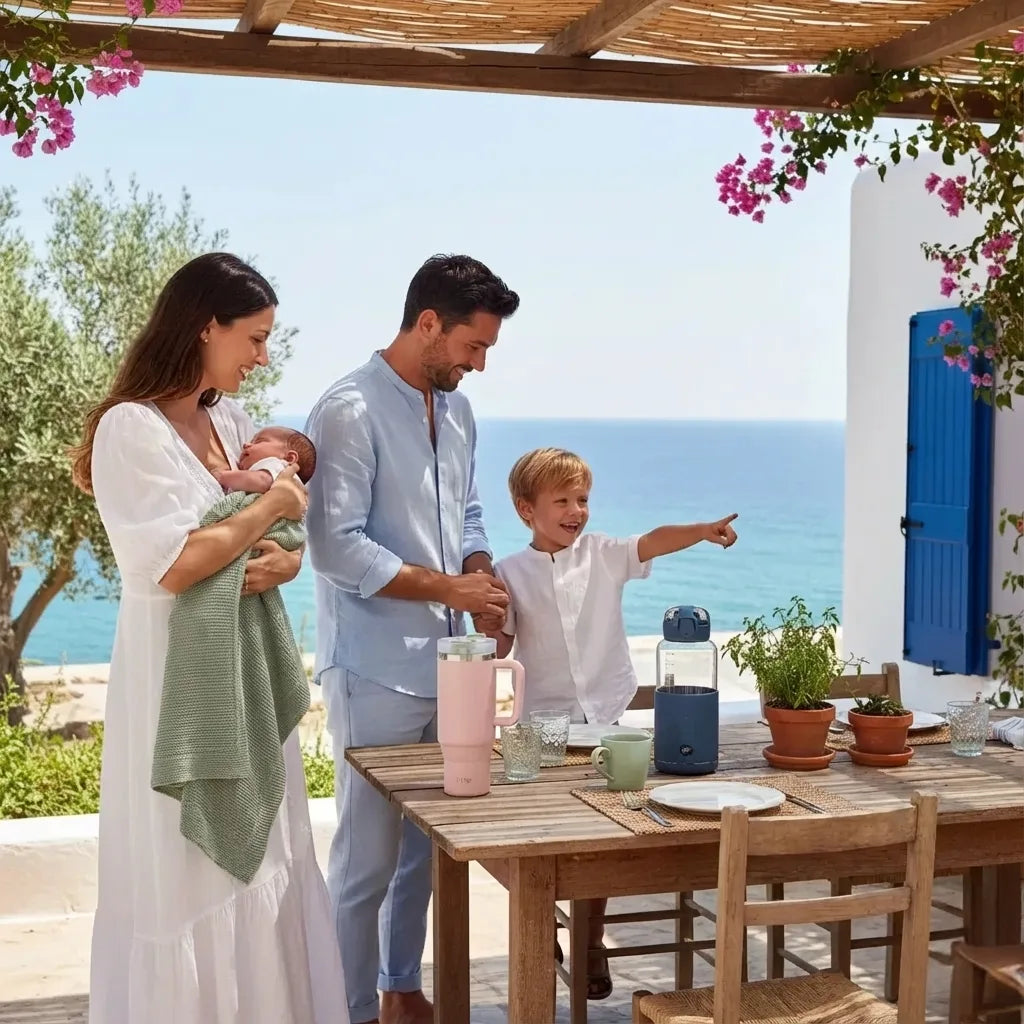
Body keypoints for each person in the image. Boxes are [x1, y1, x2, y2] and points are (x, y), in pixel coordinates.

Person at [70, 252, 349, 1024]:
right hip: (176, 680)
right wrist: (265, 514)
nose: (263, 356)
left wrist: (283, 561)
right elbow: (172, 565)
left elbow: (283, 539)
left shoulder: (228, 420)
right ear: (204, 326)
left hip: (246, 668)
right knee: (186, 878)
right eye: (254, 338)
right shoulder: (131, 430)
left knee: (271, 866)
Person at [305, 253, 519, 1024]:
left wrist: (482, 581)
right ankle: (351, 1011)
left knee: (420, 855)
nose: (479, 363)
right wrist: (445, 589)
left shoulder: (457, 410)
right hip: (371, 671)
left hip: (449, 667)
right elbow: (337, 548)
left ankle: (402, 990)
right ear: (427, 323)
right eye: (472, 345)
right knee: (364, 863)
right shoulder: (347, 410)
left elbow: (464, 513)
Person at [490, 446, 739, 1000]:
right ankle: (540, 911)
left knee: (600, 837)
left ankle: (591, 936)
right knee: (528, 835)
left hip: (603, 717)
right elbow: (500, 648)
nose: (577, 510)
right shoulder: (507, 572)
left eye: (583, 499)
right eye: (563, 500)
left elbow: (652, 540)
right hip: (540, 726)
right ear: (525, 508)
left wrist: (701, 530)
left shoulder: (602, 553)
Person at [215, 425, 317, 493]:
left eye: (259, 441)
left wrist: (222, 476)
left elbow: (262, 481)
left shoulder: (279, 467)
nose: (246, 444)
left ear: (289, 458)